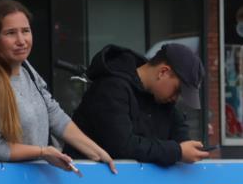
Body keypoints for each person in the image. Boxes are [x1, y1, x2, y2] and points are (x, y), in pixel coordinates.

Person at [0, 0, 115, 174]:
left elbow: (55, 116)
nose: (21, 40)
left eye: (26, 31)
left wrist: (96, 151)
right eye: (10, 33)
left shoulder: (27, 69)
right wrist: (42, 152)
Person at [65, 44, 209, 166]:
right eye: (177, 90)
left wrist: (190, 147)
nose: (176, 98)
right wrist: (178, 151)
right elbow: (122, 147)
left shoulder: (161, 99)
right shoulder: (110, 87)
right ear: (163, 72)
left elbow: (179, 131)